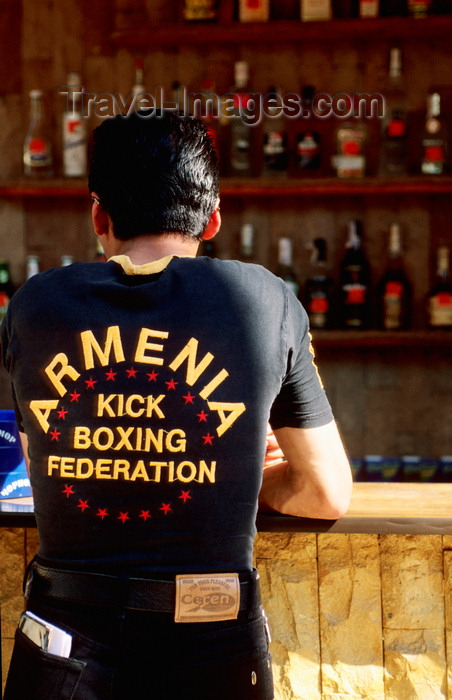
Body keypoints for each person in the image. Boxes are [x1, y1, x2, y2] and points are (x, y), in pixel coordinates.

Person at [0, 109, 352, 700]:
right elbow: (325, 493)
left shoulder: (37, 304)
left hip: (64, 638)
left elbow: (40, 466)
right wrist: (249, 471)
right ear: (212, 218)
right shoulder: (263, 299)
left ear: (98, 215)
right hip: (211, 641)